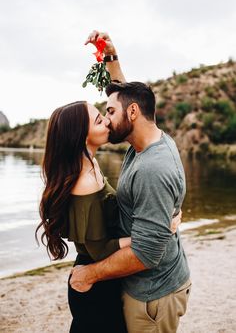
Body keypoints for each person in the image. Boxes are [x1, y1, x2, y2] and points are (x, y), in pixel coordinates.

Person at [70, 31, 191, 333]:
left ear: (133, 113)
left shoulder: (153, 168)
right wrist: (111, 57)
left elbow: (147, 253)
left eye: (109, 112)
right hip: (148, 286)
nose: (107, 119)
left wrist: (89, 275)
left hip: (152, 297)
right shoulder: (147, 139)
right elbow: (125, 98)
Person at [35, 89, 181, 329]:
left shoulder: (90, 163)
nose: (107, 119)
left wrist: (111, 59)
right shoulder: (84, 184)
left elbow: (132, 105)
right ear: (81, 135)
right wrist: (159, 230)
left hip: (104, 277)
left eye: (105, 113)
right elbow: (100, 249)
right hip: (96, 285)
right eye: (98, 119)